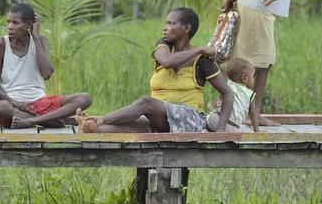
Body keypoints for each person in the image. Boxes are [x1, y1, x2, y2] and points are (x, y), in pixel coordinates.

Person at [78, 8, 234, 134]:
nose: (165, 28)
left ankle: (100, 119)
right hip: (160, 119)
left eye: (170, 23)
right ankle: (89, 126)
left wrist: (220, 128)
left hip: (189, 119)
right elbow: (166, 62)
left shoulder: (203, 61)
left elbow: (227, 94)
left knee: (146, 102)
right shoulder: (163, 46)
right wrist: (200, 49)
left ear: (186, 28)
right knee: (118, 129)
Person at [0, 3, 91, 129]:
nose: (9, 27)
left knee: (85, 98)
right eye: (8, 22)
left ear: (29, 25)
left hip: (40, 102)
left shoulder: (41, 40)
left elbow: (46, 74)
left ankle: (31, 121)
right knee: (1, 107)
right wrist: (16, 103)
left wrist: (36, 38)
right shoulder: (0, 43)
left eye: (15, 23)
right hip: (13, 106)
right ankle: (44, 120)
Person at [207, 58, 259, 132]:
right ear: (244, 77)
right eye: (252, 76)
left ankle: (206, 130)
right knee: (241, 131)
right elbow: (253, 113)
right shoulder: (250, 94)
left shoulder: (227, 85)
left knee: (208, 118)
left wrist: (214, 61)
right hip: (231, 128)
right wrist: (257, 131)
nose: (254, 79)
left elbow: (219, 73)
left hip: (214, 120)